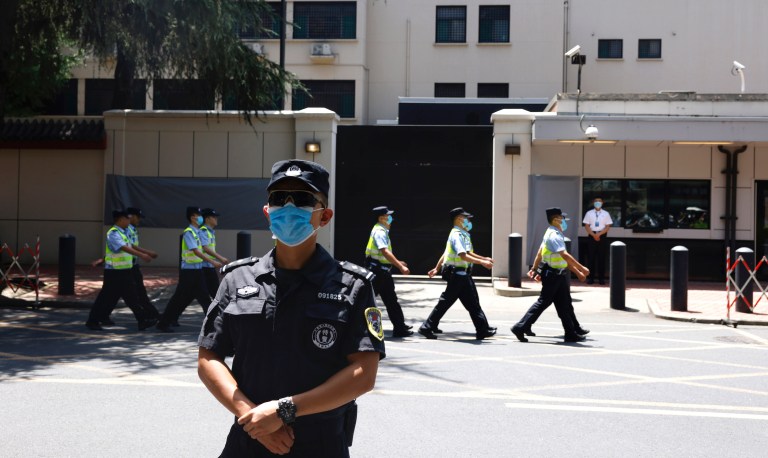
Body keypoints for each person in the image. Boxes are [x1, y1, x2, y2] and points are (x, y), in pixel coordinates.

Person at [198, 159, 385, 457]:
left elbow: (364, 373)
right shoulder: (237, 278)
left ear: (324, 216)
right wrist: (254, 420)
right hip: (249, 439)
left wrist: (283, 411)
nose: (287, 206)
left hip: (319, 443)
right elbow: (209, 356)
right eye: (278, 198)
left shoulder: (353, 286)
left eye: (302, 199)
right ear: (267, 211)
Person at [511, 207, 590, 343]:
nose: (564, 222)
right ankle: (520, 327)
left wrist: (535, 269)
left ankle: (570, 333)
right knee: (543, 303)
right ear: (555, 220)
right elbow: (564, 255)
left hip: (557, 275)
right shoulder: (554, 236)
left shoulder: (550, 233)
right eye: (562, 219)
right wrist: (581, 268)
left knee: (564, 304)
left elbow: (540, 253)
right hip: (553, 276)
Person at [418, 207, 497, 340]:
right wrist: (482, 263)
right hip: (457, 274)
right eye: (466, 218)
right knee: (451, 302)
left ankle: (483, 329)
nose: (468, 221)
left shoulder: (461, 234)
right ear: (459, 219)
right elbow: (463, 255)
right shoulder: (456, 234)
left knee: (471, 302)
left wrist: (484, 258)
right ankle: (427, 327)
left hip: (461, 274)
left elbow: (453, 253)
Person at [85, 210, 158, 331]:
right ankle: (92, 321)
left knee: (132, 296)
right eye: (127, 219)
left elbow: (131, 245)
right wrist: (142, 255)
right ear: (120, 219)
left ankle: (142, 320)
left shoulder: (123, 232)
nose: (129, 221)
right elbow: (124, 247)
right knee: (105, 297)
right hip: (114, 272)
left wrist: (146, 252)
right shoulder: (113, 233)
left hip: (124, 271)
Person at [156, 207, 223, 332]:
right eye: (198, 215)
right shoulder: (189, 232)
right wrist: (212, 261)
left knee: (201, 298)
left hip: (197, 270)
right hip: (189, 272)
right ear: (192, 217)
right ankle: (164, 322)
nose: (201, 217)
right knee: (181, 297)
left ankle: (212, 324)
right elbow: (196, 251)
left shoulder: (196, 232)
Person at [364, 206, 413, 337]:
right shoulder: (380, 231)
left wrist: (397, 262)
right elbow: (384, 251)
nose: (390, 218)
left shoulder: (382, 230)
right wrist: (400, 267)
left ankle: (400, 327)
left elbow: (385, 255)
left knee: (390, 300)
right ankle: (354, 326)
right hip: (378, 272)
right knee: (368, 300)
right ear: (381, 218)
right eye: (388, 216)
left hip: (381, 271)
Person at [199, 207, 230, 299]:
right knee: (215, 292)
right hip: (204, 266)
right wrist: (221, 258)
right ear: (207, 219)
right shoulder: (203, 231)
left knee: (209, 293)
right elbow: (205, 248)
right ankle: (219, 311)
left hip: (208, 266)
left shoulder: (210, 232)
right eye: (214, 217)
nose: (216, 219)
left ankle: (215, 311)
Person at [582, 197, 613, 285]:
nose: (597, 202)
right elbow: (587, 226)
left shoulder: (606, 214)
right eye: (596, 201)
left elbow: (607, 227)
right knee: (591, 258)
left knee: (601, 258)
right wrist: (593, 235)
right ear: (593, 203)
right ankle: (590, 278)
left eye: (599, 201)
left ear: (602, 203)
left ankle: (601, 279)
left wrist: (599, 234)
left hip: (602, 236)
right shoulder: (589, 213)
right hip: (591, 236)